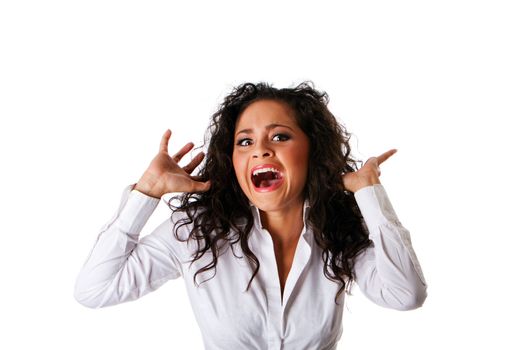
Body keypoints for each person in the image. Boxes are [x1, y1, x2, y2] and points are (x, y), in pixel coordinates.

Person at [74, 82, 427, 349]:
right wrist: (146, 192)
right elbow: (95, 289)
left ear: (312, 150)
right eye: (245, 142)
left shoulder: (340, 230)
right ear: (234, 160)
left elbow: (405, 295)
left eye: (280, 136)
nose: (260, 149)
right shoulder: (196, 231)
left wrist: (369, 193)